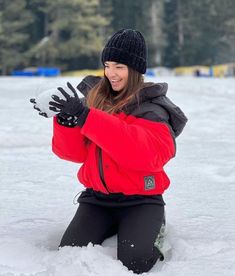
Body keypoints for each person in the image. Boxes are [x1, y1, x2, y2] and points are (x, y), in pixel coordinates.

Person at [30, 29, 187, 274]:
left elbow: (143, 154)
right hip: (97, 199)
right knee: (70, 253)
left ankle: (153, 227)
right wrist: (67, 122)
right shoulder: (94, 101)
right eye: (107, 65)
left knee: (136, 262)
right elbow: (74, 154)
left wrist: (86, 117)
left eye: (119, 67)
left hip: (141, 200)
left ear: (135, 70)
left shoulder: (152, 109)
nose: (111, 73)